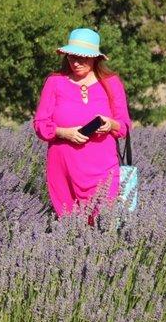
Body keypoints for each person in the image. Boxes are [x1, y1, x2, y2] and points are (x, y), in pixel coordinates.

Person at [32, 28, 132, 217]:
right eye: (71, 57)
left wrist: (110, 124)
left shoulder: (111, 83)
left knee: (104, 220)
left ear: (95, 58)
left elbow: (124, 126)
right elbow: (40, 124)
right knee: (70, 224)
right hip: (64, 170)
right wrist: (64, 133)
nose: (75, 63)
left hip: (103, 169)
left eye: (82, 58)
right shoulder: (55, 82)